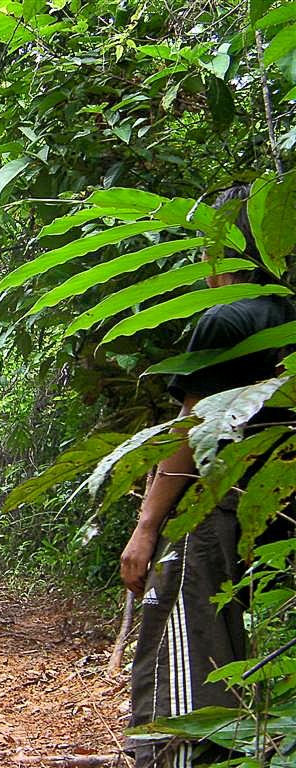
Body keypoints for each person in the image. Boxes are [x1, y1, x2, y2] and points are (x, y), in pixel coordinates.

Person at [121, 183, 296, 768]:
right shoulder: (286, 315)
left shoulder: (225, 320)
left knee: (183, 631)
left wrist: (147, 527)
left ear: (217, 250)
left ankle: (176, 752)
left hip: (220, 503)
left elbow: (192, 433)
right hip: (278, 507)